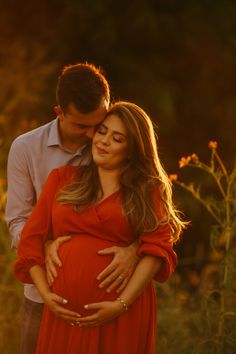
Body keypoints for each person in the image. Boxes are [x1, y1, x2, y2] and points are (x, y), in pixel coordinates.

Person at [14, 101, 186, 354]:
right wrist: (46, 295)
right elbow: (31, 240)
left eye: (116, 138)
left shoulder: (147, 191)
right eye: (102, 131)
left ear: (132, 149)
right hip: (62, 315)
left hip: (121, 316)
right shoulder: (62, 179)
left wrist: (121, 304)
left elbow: (157, 248)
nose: (103, 141)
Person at [5, 64, 139, 354]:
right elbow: (17, 219)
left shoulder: (115, 145)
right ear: (59, 113)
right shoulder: (26, 149)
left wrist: (134, 250)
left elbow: (149, 217)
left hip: (109, 304)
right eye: (82, 126)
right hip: (44, 298)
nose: (94, 136)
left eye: (99, 124)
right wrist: (45, 244)